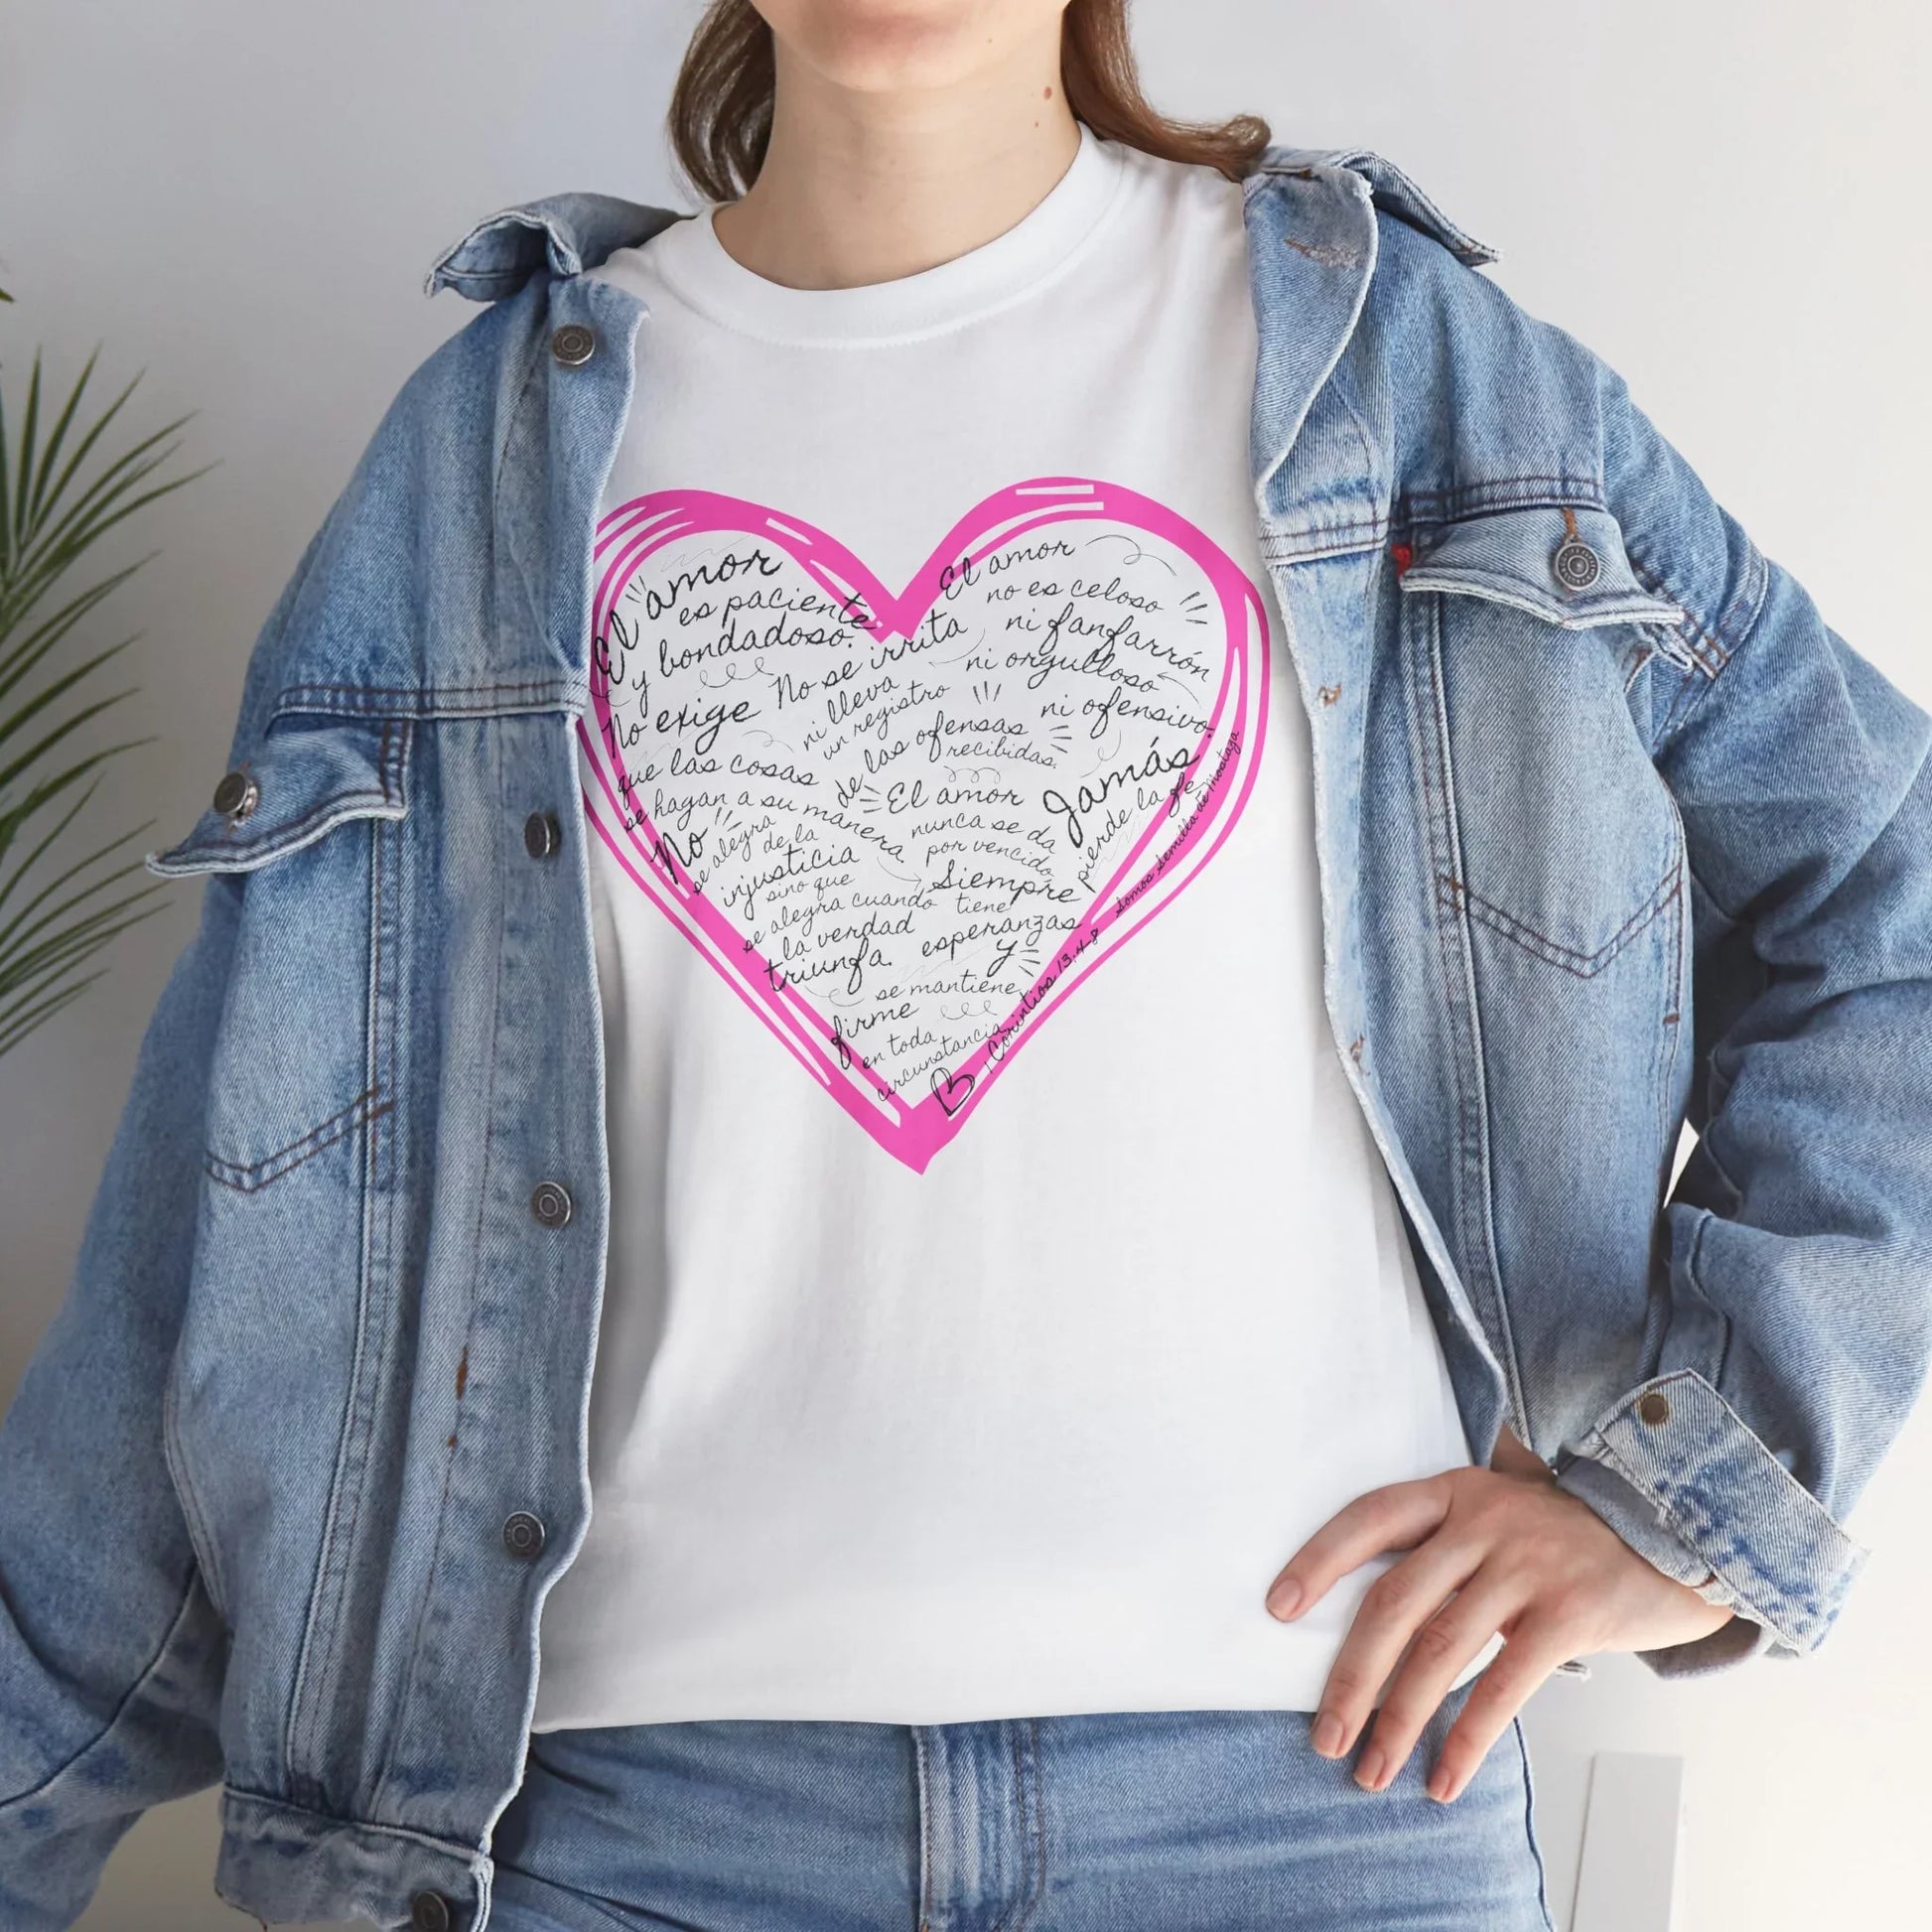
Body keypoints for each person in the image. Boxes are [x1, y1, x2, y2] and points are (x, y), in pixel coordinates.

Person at [4, 2, 1928, 1928]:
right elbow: (228, 1240)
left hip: (1315, 1801)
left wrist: (1701, 1501)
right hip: (623, 1830)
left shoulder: (1414, 378)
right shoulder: (476, 452)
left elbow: (1884, 905)